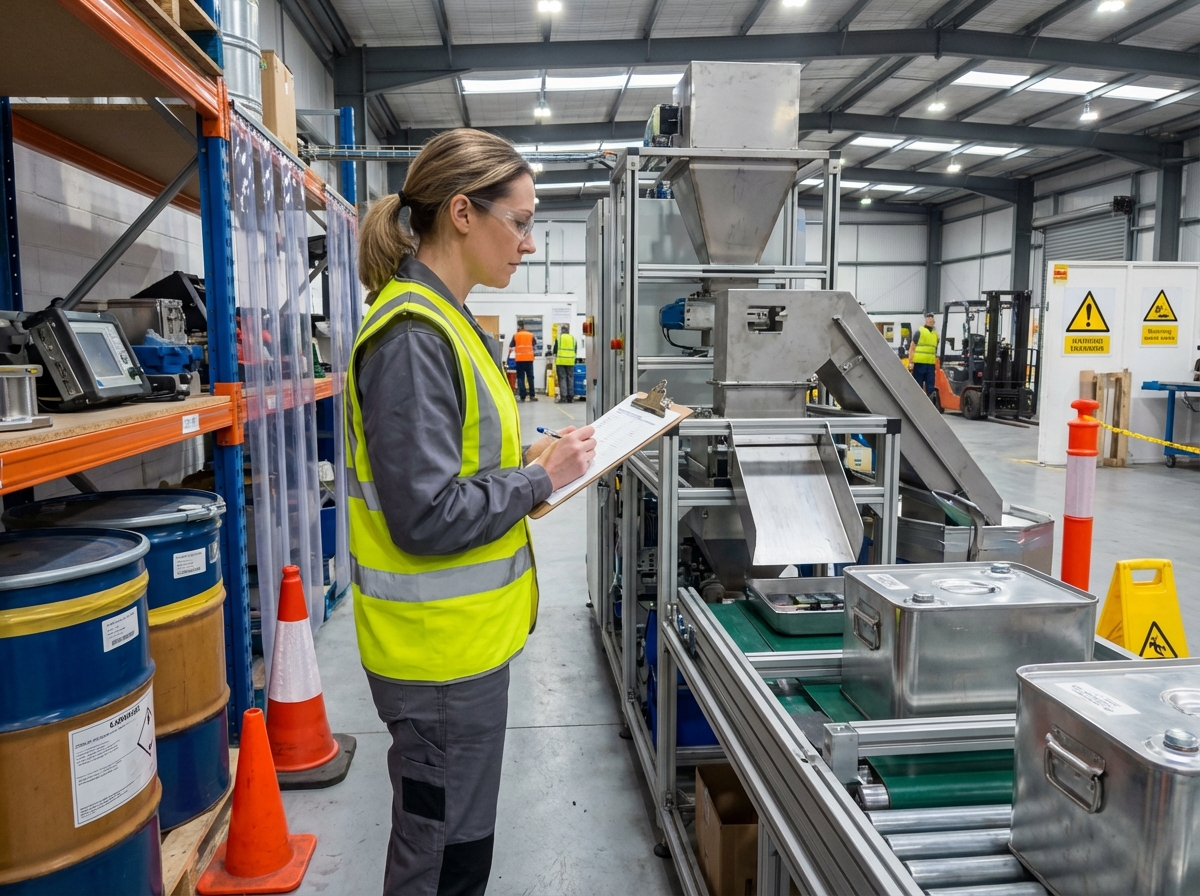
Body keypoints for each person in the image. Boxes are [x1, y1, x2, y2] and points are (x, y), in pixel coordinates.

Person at [347, 129, 597, 896]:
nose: (528, 242)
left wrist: (533, 468)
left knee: (459, 844)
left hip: (461, 652)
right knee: (442, 862)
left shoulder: (448, 320)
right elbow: (422, 518)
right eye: (518, 221)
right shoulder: (417, 335)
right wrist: (532, 485)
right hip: (437, 663)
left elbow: (458, 469)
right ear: (462, 212)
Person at [908, 311, 939, 398]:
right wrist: (911, 362)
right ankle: (916, 403)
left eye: (931, 319)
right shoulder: (919, 332)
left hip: (930, 365)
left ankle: (930, 404)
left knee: (930, 387)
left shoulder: (935, 335)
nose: (930, 320)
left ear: (934, 321)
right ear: (925, 321)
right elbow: (912, 347)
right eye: (928, 319)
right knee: (918, 385)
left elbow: (935, 350)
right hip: (919, 364)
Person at [508, 321, 538, 401]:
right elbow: (534, 345)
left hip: (520, 360)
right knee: (530, 377)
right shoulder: (531, 335)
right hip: (529, 359)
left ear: (519, 326)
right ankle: (532, 395)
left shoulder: (515, 335)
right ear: (524, 326)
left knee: (520, 378)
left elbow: (511, 346)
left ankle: (522, 396)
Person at [554, 323, 576, 402]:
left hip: (561, 361)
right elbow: (575, 350)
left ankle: (564, 397)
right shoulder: (573, 338)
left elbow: (555, 351)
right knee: (570, 378)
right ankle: (571, 397)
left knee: (562, 378)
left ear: (562, 331)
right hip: (570, 361)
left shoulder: (559, 339)